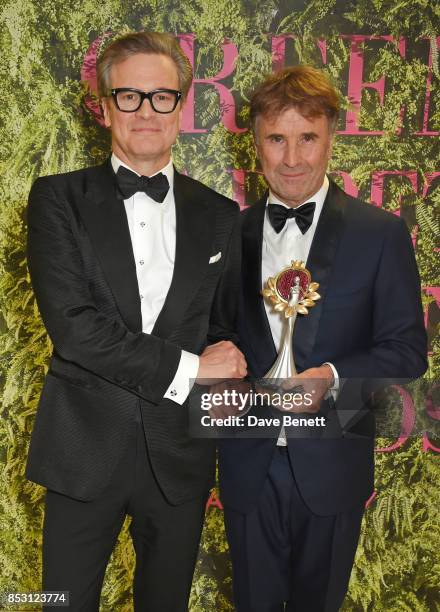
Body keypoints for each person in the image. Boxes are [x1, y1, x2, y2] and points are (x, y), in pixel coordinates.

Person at [26, 31, 246, 611]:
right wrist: (195, 368)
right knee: (60, 603)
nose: (146, 111)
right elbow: (76, 328)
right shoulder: (56, 199)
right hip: (82, 452)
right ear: (103, 108)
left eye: (161, 96)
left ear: (183, 104)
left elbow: (229, 330)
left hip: (179, 458)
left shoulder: (222, 214)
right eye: (129, 96)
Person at [218, 65, 427, 612]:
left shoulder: (380, 233)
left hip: (333, 465)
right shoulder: (227, 233)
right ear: (255, 144)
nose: (292, 159)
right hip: (247, 465)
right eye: (277, 139)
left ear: (331, 137)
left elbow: (407, 349)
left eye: (307, 138)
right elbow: (213, 334)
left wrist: (333, 378)